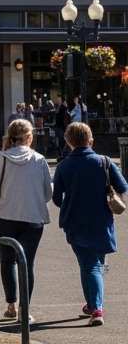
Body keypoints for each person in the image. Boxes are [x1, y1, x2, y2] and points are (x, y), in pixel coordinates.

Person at [52, 121, 128, 326]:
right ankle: (92, 304)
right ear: (91, 141)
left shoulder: (64, 166)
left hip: (75, 222)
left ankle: (96, 309)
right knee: (94, 264)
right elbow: (123, 186)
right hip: (101, 221)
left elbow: (57, 199)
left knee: (88, 264)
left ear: (68, 141)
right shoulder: (104, 162)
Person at [0, 118, 51, 323]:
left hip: (4, 217)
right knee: (27, 264)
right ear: (29, 137)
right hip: (32, 219)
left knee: (7, 261)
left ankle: (11, 305)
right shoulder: (39, 160)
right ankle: (24, 309)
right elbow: (48, 193)